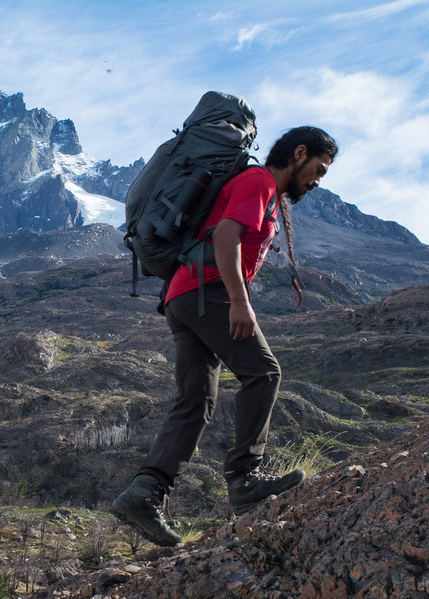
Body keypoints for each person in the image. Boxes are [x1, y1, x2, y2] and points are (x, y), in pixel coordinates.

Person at [111, 126, 338, 546]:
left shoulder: (259, 187)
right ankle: (245, 477)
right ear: (299, 153)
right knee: (264, 373)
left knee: (195, 400)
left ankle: (143, 494)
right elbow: (227, 236)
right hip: (207, 290)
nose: (317, 181)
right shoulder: (258, 182)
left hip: (183, 295)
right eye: (318, 169)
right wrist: (239, 300)